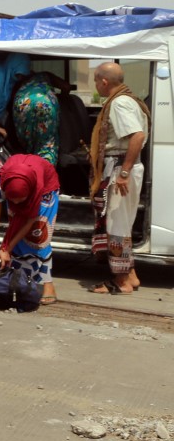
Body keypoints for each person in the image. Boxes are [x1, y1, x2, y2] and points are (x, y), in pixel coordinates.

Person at [89, 62, 150, 295]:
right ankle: (131, 276)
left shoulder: (119, 103)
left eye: (96, 81)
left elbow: (137, 136)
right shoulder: (131, 99)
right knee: (123, 222)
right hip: (125, 167)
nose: (96, 85)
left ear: (104, 82)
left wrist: (123, 173)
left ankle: (121, 281)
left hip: (121, 169)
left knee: (116, 224)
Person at [0, 154, 61, 304]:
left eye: (20, 200)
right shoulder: (1, 187)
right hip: (21, 184)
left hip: (45, 187)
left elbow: (30, 221)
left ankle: (48, 285)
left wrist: (7, 248)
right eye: (13, 200)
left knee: (38, 236)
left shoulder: (36, 188)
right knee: (16, 230)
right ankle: (20, 281)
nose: (17, 203)